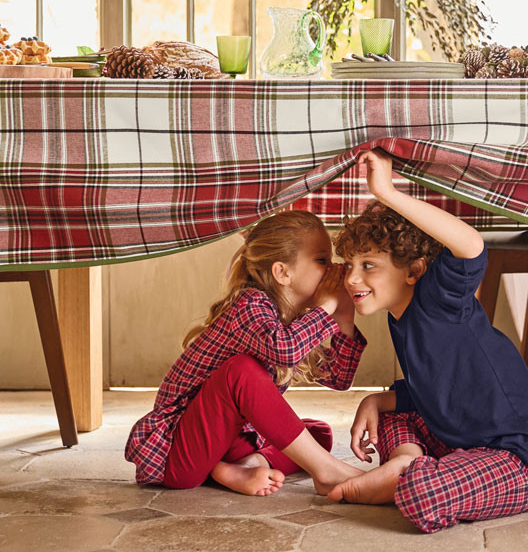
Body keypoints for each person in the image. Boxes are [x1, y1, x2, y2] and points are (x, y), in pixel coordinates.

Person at [328, 149, 528, 533]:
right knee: (391, 415)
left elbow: (471, 247)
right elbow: (434, 390)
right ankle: (404, 462)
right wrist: (374, 399)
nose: (352, 279)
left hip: (522, 462)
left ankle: (408, 476)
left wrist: (387, 193)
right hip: (460, 445)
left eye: (368, 266)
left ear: (414, 271)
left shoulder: (441, 299)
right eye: (350, 267)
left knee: (423, 496)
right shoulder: (399, 318)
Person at [124, 210, 366, 496]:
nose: (334, 269)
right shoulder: (250, 305)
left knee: (317, 434)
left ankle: (245, 465)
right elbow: (284, 351)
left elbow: (338, 379)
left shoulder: (293, 319)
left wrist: (345, 321)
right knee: (241, 370)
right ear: (282, 272)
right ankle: (324, 471)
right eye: (321, 260)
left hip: (230, 439)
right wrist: (325, 309)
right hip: (179, 452)